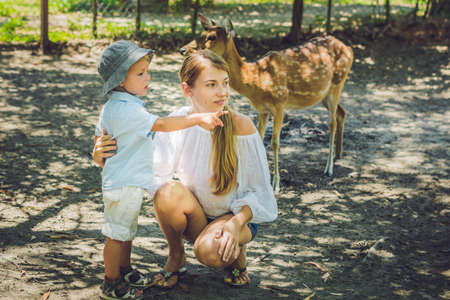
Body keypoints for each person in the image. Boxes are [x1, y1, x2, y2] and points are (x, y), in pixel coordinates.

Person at [93, 49, 277, 290]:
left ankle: (237, 254)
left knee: (209, 253)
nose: (222, 92)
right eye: (211, 84)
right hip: (197, 217)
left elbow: (260, 191)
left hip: (236, 218)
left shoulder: (241, 126)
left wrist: (235, 223)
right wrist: (101, 156)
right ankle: (176, 255)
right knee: (166, 190)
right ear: (187, 90)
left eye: (225, 83)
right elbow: (150, 169)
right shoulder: (179, 121)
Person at [95, 41, 227, 300]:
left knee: (126, 232)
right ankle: (111, 281)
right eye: (140, 73)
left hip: (127, 182)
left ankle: (125, 271)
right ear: (121, 79)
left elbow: (99, 139)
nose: (148, 77)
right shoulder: (125, 109)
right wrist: (198, 119)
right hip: (122, 183)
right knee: (116, 235)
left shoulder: (120, 105)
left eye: (147, 71)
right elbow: (163, 124)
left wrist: (96, 153)